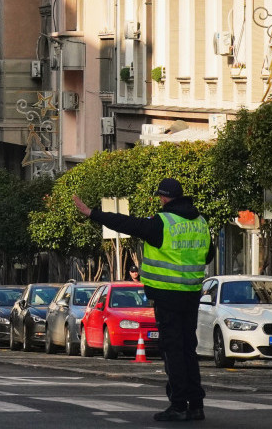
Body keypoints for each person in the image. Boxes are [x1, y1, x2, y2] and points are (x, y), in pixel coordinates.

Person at [73, 178, 214, 422]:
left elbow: (127, 223)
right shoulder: (201, 223)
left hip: (167, 296)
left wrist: (92, 213)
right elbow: (209, 254)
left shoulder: (163, 222)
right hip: (191, 295)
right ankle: (196, 405)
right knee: (188, 349)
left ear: (163, 197)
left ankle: (179, 404)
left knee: (173, 350)